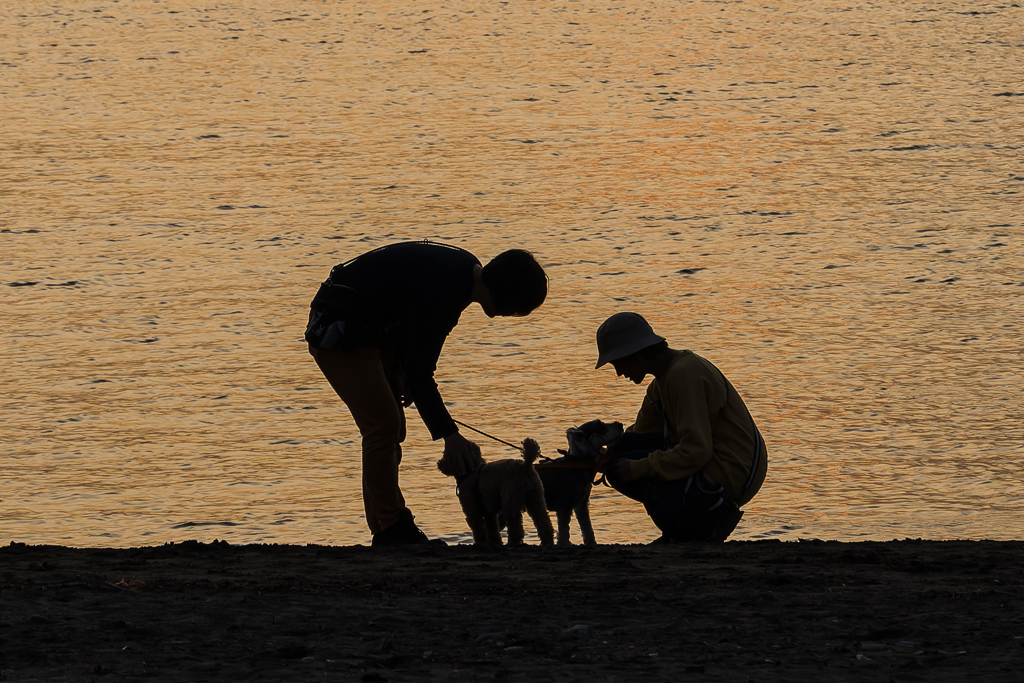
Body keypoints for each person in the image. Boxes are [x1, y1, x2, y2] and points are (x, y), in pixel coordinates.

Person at [305, 241, 547, 546]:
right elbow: (423, 374)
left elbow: (412, 326)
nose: (510, 316)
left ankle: (385, 527)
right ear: (506, 296)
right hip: (339, 329)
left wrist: (400, 369)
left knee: (392, 429)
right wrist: (450, 436)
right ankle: (392, 526)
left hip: (372, 332)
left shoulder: (463, 273)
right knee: (382, 427)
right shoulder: (447, 289)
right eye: (515, 310)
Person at [595, 312, 767, 543]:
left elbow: (696, 450)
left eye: (616, 362)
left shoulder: (684, 375)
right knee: (616, 456)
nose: (617, 372)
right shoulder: (660, 384)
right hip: (713, 462)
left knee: (626, 470)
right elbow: (636, 437)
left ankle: (700, 523)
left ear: (634, 354)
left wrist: (637, 468)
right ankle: (682, 527)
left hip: (731, 473)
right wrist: (595, 459)